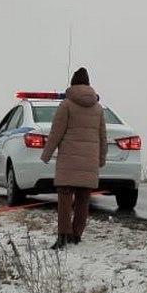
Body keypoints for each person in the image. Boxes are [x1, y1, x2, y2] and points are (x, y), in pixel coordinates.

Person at [40, 67, 107, 250]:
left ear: (72, 83)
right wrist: (101, 159)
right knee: (83, 200)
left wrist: (46, 154)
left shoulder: (66, 105)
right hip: (89, 163)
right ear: (88, 84)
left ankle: (63, 236)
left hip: (68, 163)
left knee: (64, 198)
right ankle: (76, 236)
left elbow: (56, 133)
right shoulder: (98, 108)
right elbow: (103, 137)